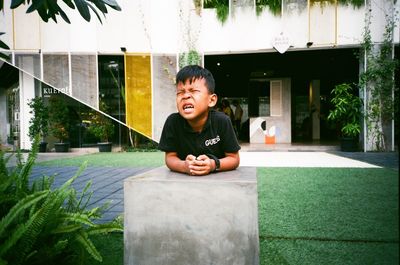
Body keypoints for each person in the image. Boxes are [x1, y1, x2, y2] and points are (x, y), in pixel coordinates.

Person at [158, 65, 241, 176]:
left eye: (193, 91)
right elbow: (170, 157)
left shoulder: (222, 121)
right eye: (180, 92)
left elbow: (234, 159)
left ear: (211, 100)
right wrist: (184, 166)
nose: (185, 96)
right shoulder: (173, 122)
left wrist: (213, 165)